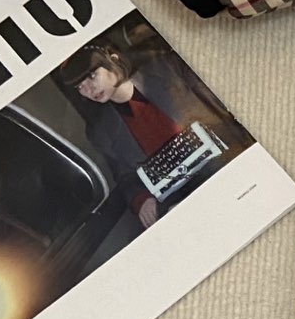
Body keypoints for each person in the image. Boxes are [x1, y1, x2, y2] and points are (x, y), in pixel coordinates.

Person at [54, 41, 236, 227]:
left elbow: (220, 108)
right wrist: (141, 200)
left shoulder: (167, 68)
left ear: (113, 60)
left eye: (92, 76)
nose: (89, 90)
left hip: (226, 164)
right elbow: (124, 176)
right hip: (177, 198)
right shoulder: (100, 131)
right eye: (80, 87)